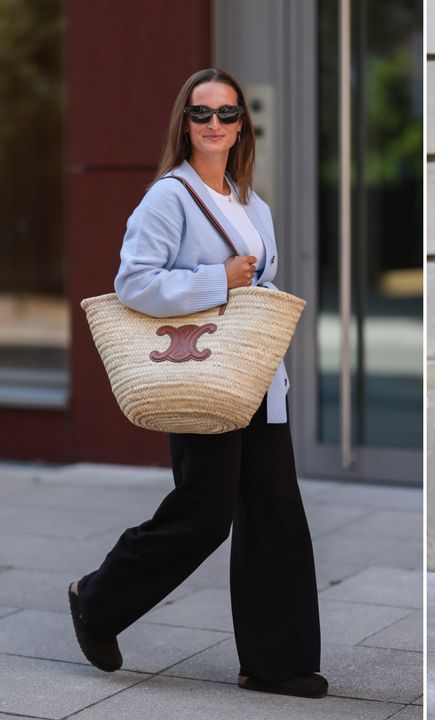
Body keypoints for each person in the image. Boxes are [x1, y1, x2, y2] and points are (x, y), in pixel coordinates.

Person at [67, 68, 326, 699]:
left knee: (275, 515)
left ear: (243, 126)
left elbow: (258, 289)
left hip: (252, 374)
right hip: (197, 371)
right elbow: (134, 283)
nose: (215, 125)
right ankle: (96, 602)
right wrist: (219, 280)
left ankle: (276, 664)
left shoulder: (251, 203)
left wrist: (246, 294)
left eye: (228, 114)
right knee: (204, 513)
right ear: (185, 123)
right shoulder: (168, 198)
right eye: (202, 114)